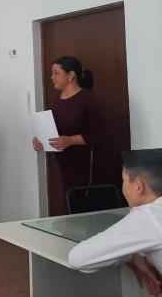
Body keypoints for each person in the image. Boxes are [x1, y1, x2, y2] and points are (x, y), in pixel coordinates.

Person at [68, 149, 162, 296]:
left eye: (124, 180)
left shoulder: (148, 215)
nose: (122, 187)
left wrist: (131, 256)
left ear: (139, 186)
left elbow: (77, 258)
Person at [32, 56, 105, 215]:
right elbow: (53, 131)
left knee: (85, 208)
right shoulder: (55, 101)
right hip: (65, 165)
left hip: (87, 165)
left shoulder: (88, 98)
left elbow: (100, 134)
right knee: (70, 206)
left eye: (56, 73)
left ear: (70, 74)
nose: (52, 77)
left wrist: (70, 140)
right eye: (52, 73)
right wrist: (39, 141)